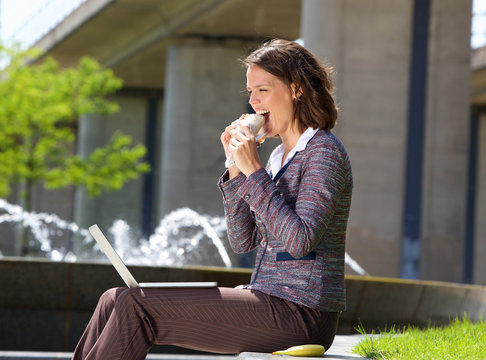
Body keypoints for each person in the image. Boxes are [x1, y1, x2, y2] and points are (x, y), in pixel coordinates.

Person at [71, 39, 352, 360]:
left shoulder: (323, 152)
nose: (253, 102)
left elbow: (301, 240)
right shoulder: (277, 157)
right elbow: (242, 240)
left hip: (303, 313)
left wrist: (254, 170)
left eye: (262, 90)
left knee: (135, 306)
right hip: (267, 298)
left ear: (296, 89)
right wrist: (235, 166)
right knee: (114, 298)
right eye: (250, 92)